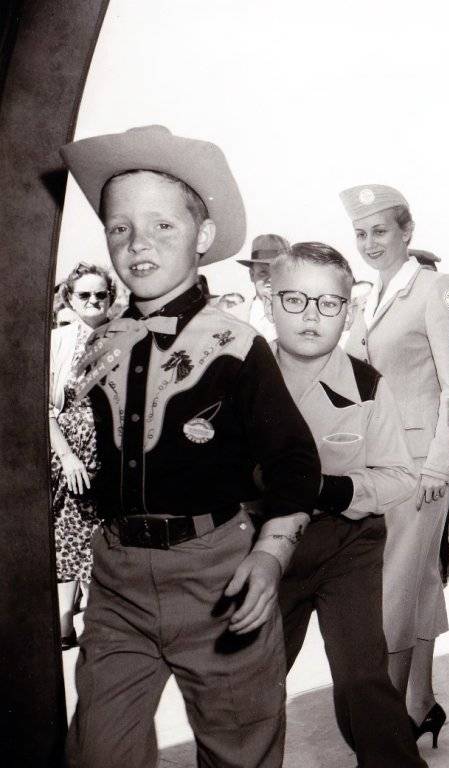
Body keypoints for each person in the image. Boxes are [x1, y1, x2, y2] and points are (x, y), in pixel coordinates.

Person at [59, 124, 320, 768]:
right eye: (120, 228)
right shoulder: (101, 343)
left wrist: (271, 557)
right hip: (117, 581)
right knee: (98, 751)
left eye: (162, 226)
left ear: (202, 236)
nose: (137, 243)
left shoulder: (236, 345)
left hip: (217, 576)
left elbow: (295, 463)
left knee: (240, 751)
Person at [268, 241, 425, 767]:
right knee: (253, 683)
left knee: (363, 677)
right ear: (269, 301)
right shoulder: (241, 378)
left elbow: (400, 475)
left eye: (328, 303)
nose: (311, 316)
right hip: (264, 550)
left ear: (348, 311)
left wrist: (331, 490)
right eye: (295, 300)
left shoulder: (367, 384)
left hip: (346, 545)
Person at [341, 184, 449, 747]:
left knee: (394, 588)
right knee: (420, 580)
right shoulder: (372, 297)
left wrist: (439, 464)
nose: (370, 242)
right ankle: (422, 703)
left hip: (419, 465)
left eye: (380, 231)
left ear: (407, 231)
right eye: (361, 233)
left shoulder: (434, 288)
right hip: (383, 461)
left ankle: (387, 731)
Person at [49, 262, 116, 648]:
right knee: (67, 538)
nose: (93, 300)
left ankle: (101, 628)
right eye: (84, 294)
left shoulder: (123, 338)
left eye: (100, 294)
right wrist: (68, 457)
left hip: (111, 457)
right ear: (69, 299)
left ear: (110, 298)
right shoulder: (57, 342)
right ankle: (63, 626)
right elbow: (43, 407)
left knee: (104, 541)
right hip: (69, 457)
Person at [236, 233, 290, 340]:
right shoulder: (233, 315)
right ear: (252, 275)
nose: (271, 279)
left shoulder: (299, 316)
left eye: (277, 272)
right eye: (263, 272)